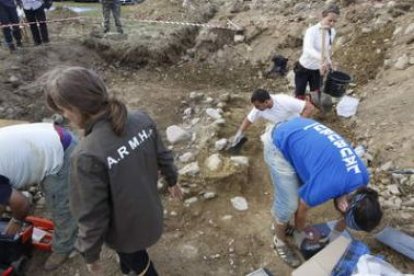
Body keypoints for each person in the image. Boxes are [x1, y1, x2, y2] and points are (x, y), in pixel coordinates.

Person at [41, 66, 183, 276]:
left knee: (139, 262)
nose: (65, 116)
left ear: (76, 107)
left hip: (125, 232)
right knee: (132, 259)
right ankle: (128, 270)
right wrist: (172, 181)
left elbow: (91, 215)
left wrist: (91, 256)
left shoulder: (87, 155)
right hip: (150, 212)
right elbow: (163, 155)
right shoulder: (140, 119)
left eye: (64, 110)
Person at [263, 117, 382, 268]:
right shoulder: (326, 187)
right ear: (345, 206)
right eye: (344, 215)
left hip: (301, 129)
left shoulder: (362, 181)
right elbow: (301, 209)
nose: (342, 216)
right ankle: (279, 241)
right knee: (289, 204)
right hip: (278, 140)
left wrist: (331, 239)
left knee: (301, 185)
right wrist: (302, 232)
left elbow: (349, 214)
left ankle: (285, 225)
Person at [0, 122, 78, 270]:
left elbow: (22, 204)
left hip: (61, 150)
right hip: (47, 135)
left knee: (60, 205)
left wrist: (16, 221)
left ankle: (64, 249)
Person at [231, 88, 314, 145]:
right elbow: (249, 119)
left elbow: (309, 107)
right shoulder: (259, 108)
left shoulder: (284, 101)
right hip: (281, 127)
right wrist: (239, 132)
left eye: (257, 106)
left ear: (266, 102)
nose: (256, 109)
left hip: (295, 127)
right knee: (267, 141)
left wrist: (298, 125)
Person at [294, 4, 340, 104]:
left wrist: (329, 61)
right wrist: (322, 59)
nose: (332, 23)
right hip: (304, 67)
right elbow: (308, 49)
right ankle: (299, 112)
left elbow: (327, 49)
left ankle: (313, 109)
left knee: (316, 92)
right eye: (330, 20)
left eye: (335, 21)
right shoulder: (311, 31)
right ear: (323, 16)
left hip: (318, 70)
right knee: (299, 93)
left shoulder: (332, 32)